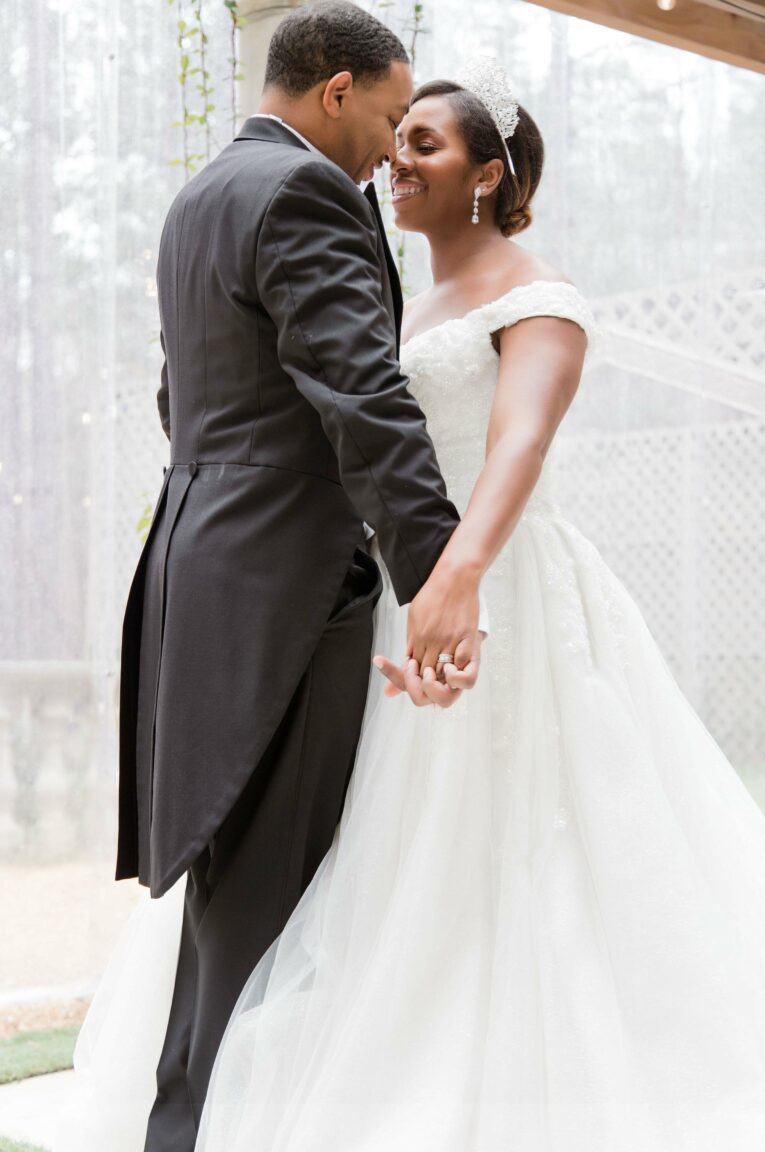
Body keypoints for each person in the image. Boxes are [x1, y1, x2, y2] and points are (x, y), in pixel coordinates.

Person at [58, 43, 765, 1152]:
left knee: (504, 850)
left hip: (482, 589)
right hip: (388, 592)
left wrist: (453, 577)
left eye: (421, 140)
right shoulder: (390, 284)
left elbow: (516, 444)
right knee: (342, 861)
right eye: (395, 132)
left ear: (487, 173)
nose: (396, 157)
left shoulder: (540, 296)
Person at [76, 4, 487, 1151]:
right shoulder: (305, 191)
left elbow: (185, 397)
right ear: (337, 90)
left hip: (200, 559)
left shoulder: (202, 197)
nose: (392, 148)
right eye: (392, 117)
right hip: (287, 579)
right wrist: (439, 575)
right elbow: (362, 394)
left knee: (234, 892)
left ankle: (189, 1123)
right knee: (273, 904)